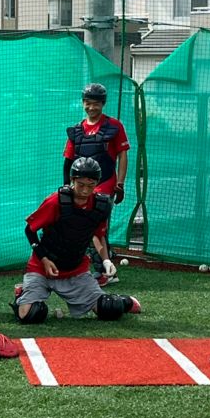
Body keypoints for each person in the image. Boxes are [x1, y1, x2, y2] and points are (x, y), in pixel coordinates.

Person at [11, 157, 141, 324]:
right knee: (32, 314)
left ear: (97, 183)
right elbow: (30, 230)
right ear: (72, 180)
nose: (85, 190)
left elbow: (98, 235)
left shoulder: (100, 205)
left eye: (91, 185)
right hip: (42, 268)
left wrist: (106, 260)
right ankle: (22, 296)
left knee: (109, 308)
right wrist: (43, 259)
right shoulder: (55, 201)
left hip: (75, 270)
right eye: (81, 185)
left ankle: (125, 301)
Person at [63, 83, 130, 286]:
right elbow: (68, 160)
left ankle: (104, 272)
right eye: (88, 103)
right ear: (83, 103)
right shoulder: (76, 131)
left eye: (96, 103)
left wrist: (120, 183)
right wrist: (67, 187)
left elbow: (123, 155)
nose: (91, 107)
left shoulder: (114, 126)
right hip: (80, 188)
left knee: (93, 227)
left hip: (105, 185)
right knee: (88, 228)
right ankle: (101, 267)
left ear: (103, 104)